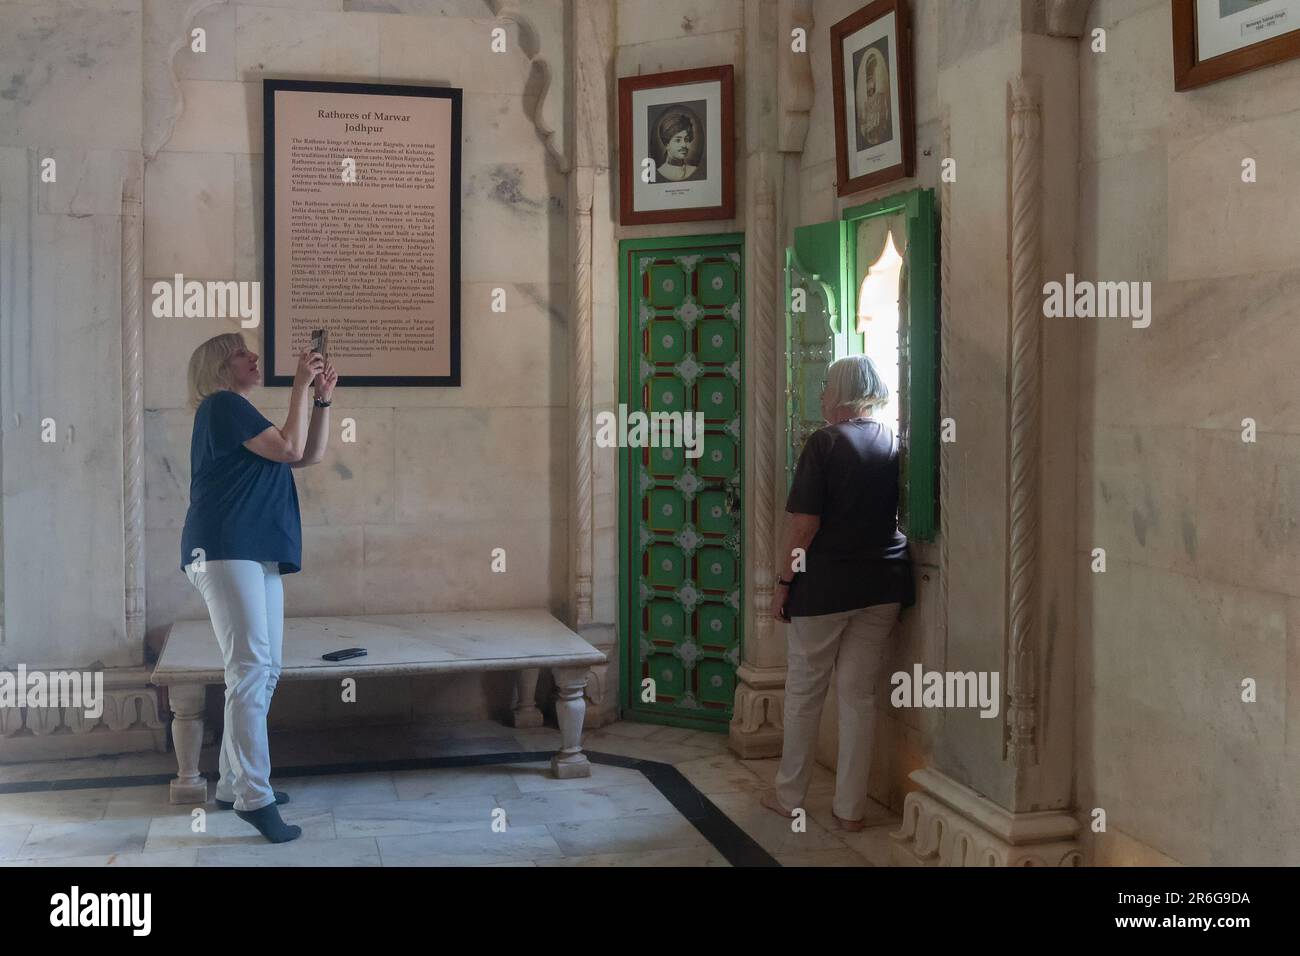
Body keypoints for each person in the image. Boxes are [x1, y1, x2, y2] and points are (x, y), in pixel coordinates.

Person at [179, 333, 337, 843]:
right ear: (221, 368)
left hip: (252, 550)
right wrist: (298, 384)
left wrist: (322, 400)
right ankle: (254, 797)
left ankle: (232, 783)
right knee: (250, 668)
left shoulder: (240, 414)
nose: (254, 358)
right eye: (243, 354)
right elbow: (291, 447)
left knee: (263, 668)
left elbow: (306, 455)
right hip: (226, 548)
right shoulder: (222, 405)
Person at [761, 354, 914, 831]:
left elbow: (804, 526)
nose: (821, 394)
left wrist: (784, 583)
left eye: (826, 386)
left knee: (806, 690)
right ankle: (850, 810)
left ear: (839, 394)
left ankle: (789, 797)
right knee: (858, 695)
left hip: (826, 586)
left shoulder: (823, 443)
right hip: (884, 583)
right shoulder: (893, 439)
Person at [655, 109, 700, 182]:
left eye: (686, 140)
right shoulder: (661, 172)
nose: (684, 145)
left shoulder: (693, 170)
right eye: (678, 140)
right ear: (667, 145)